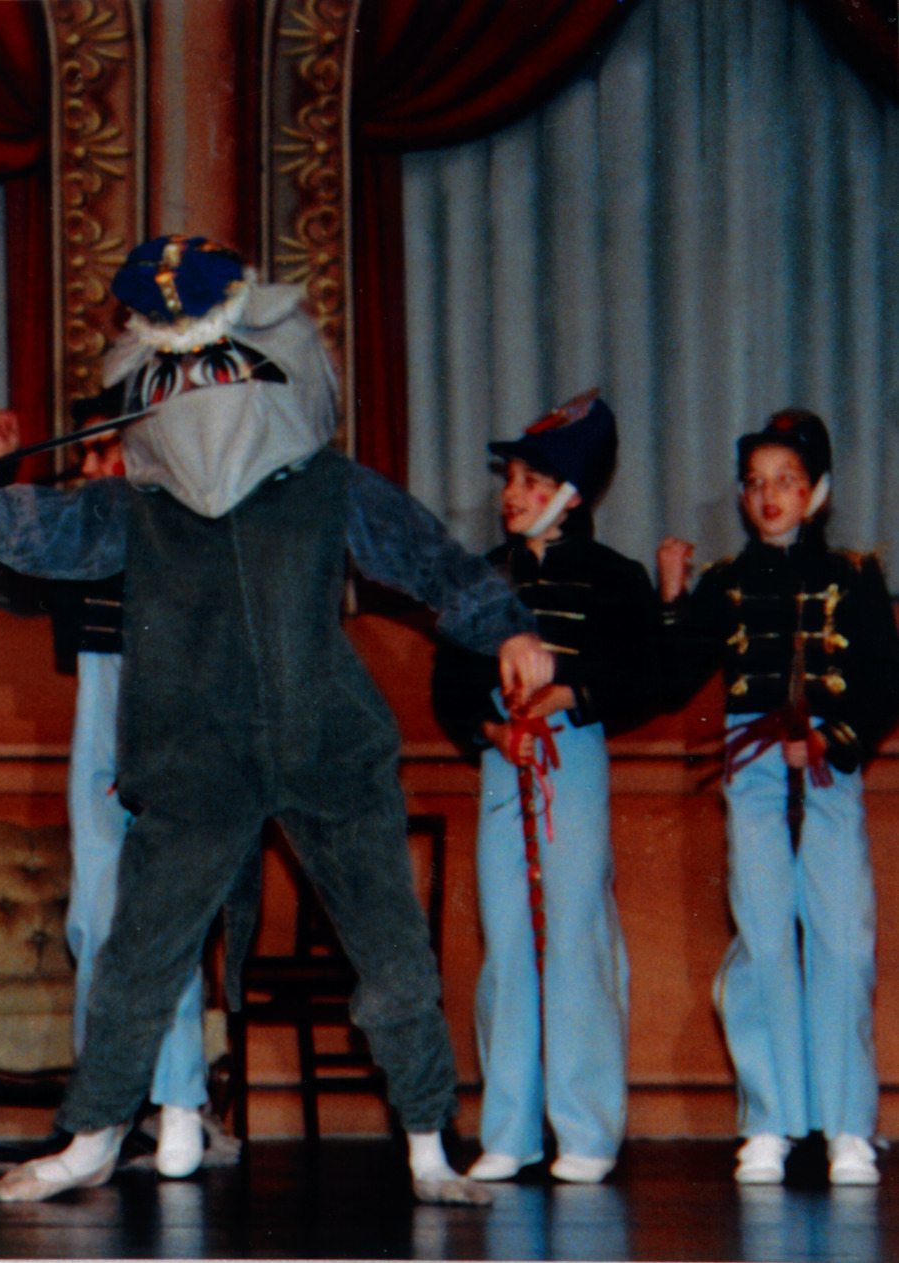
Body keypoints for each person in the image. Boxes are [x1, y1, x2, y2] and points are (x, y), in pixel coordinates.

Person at [0, 234, 553, 1205]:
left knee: (390, 949)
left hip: (328, 744)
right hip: (193, 757)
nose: (199, 391)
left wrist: (507, 627)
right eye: (176, 372)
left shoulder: (329, 484)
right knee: (138, 957)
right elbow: (49, 532)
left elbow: (430, 560)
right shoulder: (138, 504)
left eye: (217, 365)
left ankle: (429, 1145)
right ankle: (92, 1138)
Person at [0, 405, 212, 1178]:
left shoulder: (186, 517)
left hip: (177, 698)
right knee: (95, 916)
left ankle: (180, 1102)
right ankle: (102, 1111)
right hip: (99, 693)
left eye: (109, 451)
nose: (95, 467)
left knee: (166, 911)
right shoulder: (81, 523)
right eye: (91, 452)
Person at [657, 409, 899, 1186]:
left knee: (841, 939)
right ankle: (770, 1120)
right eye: (756, 482)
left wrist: (836, 737)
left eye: (786, 480)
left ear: (815, 491)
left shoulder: (855, 575)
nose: (770, 495)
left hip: (828, 763)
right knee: (762, 935)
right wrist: (673, 596)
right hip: (754, 764)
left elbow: (885, 680)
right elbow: (675, 672)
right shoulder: (726, 582)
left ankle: (847, 1125)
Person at [431, 393, 660, 1184]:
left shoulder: (614, 577)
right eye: (511, 479)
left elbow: (642, 671)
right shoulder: (483, 577)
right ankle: (510, 1128)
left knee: (574, 934)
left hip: (572, 755)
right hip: (505, 760)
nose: (513, 494)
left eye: (532, 481)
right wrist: (491, 731)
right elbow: (450, 682)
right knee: (506, 939)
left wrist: (568, 689)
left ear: (570, 493)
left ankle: (587, 1130)